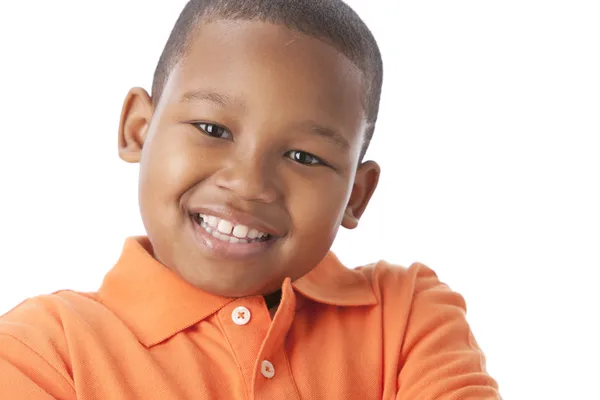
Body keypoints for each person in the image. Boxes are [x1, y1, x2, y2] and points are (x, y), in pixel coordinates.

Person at [0, 0, 500, 398]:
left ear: (357, 196)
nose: (248, 183)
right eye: (212, 129)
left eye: (304, 157)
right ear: (138, 129)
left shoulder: (407, 314)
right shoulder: (40, 351)